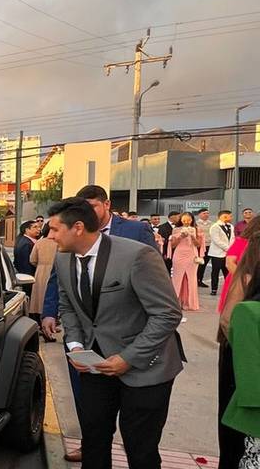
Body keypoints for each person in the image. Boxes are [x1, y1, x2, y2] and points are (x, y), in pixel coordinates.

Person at [49, 197, 183, 469]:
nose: (49, 236)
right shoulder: (63, 259)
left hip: (146, 369)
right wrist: (75, 345)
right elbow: (68, 306)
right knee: (94, 439)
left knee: (140, 448)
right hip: (94, 367)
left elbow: (167, 313)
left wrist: (129, 358)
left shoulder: (136, 256)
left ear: (77, 227)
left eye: (53, 229)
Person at [217, 217, 260, 468]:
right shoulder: (246, 251)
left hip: (242, 365)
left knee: (238, 442)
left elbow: (228, 321)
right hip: (243, 363)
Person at [168, 212, 204, 313]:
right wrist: (180, 237)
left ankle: (190, 302)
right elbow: (173, 245)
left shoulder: (196, 229)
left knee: (191, 278)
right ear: (181, 220)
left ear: (192, 220)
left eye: (189, 220)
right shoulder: (176, 229)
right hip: (179, 254)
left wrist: (192, 236)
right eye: (184, 220)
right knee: (177, 278)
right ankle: (175, 302)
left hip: (192, 254)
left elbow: (198, 245)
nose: (186, 222)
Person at [29, 222, 58, 335]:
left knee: (40, 300)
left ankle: (44, 326)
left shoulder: (39, 243)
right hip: (56, 271)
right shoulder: (60, 243)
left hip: (41, 272)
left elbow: (32, 259)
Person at [209, 211, 235, 296]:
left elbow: (232, 238)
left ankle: (229, 289)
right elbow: (216, 240)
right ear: (223, 216)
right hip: (217, 253)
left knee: (228, 272)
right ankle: (214, 289)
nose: (231, 218)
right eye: (229, 216)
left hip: (228, 254)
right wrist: (228, 248)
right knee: (215, 272)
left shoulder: (231, 226)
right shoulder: (215, 227)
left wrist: (231, 249)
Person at [197, 208, 213, 288]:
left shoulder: (212, 224)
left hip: (209, 246)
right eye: (204, 213)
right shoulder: (196, 224)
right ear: (199, 214)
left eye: (207, 213)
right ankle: (195, 279)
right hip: (199, 246)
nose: (206, 215)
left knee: (204, 264)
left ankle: (200, 280)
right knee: (197, 263)